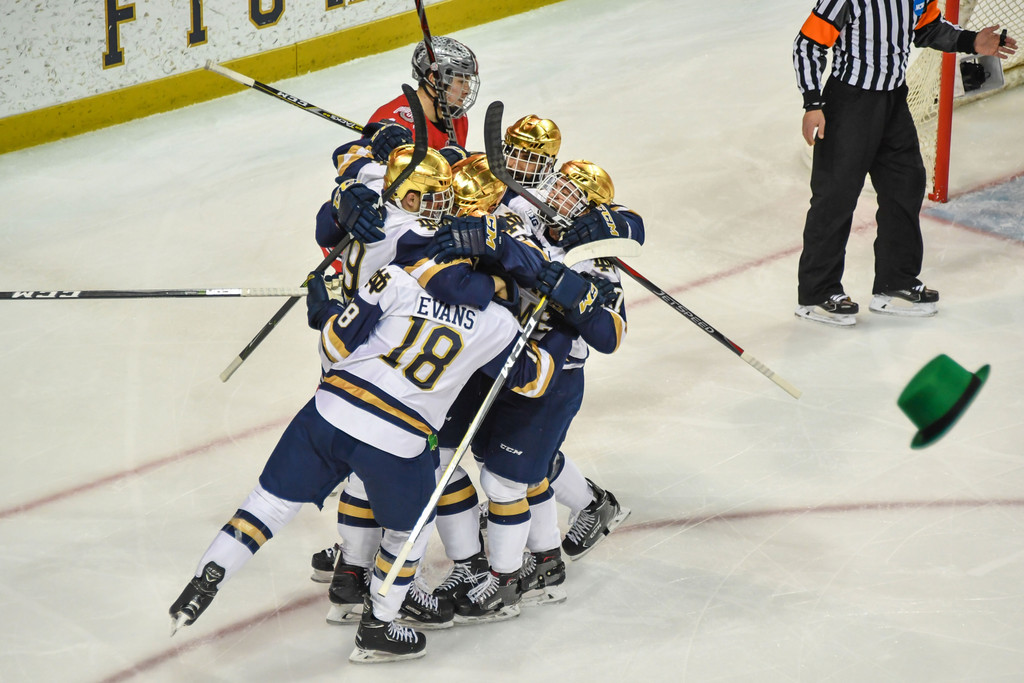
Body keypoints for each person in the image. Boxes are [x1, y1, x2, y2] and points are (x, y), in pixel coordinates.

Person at [168, 173, 575, 664]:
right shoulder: (497, 323)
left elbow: (333, 346)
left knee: (267, 505)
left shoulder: (396, 278)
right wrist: (558, 325)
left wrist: (326, 305)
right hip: (398, 439)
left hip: (329, 413)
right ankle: (378, 627)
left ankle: (205, 580)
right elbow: (535, 381)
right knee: (407, 535)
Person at [425, 158, 643, 618]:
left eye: (570, 193)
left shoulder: (597, 263)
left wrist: (576, 297)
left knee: (504, 480)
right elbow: (489, 189)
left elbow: (611, 335)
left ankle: (505, 583)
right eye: (558, 184)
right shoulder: (525, 209)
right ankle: (545, 562)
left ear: (588, 209)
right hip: (499, 359)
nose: (555, 194)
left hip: (551, 378)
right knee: (503, 465)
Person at [793, 0, 1017, 327]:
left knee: (906, 185)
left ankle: (895, 282)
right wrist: (813, 103)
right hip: (850, 103)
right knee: (835, 196)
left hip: (894, 101)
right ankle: (817, 292)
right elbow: (808, 44)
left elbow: (926, 28)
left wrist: (972, 41)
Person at [367, 36, 479, 150]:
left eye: (468, 82)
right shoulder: (392, 123)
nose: (467, 91)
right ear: (434, 80)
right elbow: (360, 158)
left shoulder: (457, 117)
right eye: (461, 82)